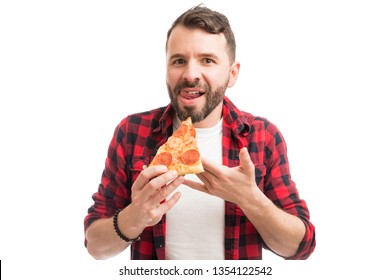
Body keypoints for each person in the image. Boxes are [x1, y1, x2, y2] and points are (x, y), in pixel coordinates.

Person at [84, 5, 316, 260]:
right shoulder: (132, 132)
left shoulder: (262, 137)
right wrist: (135, 216)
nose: (190, 74)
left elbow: (301, 246)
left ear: (232, 73)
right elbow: (95, 245)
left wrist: (250, 199)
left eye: (207, 60)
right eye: (179, 61)